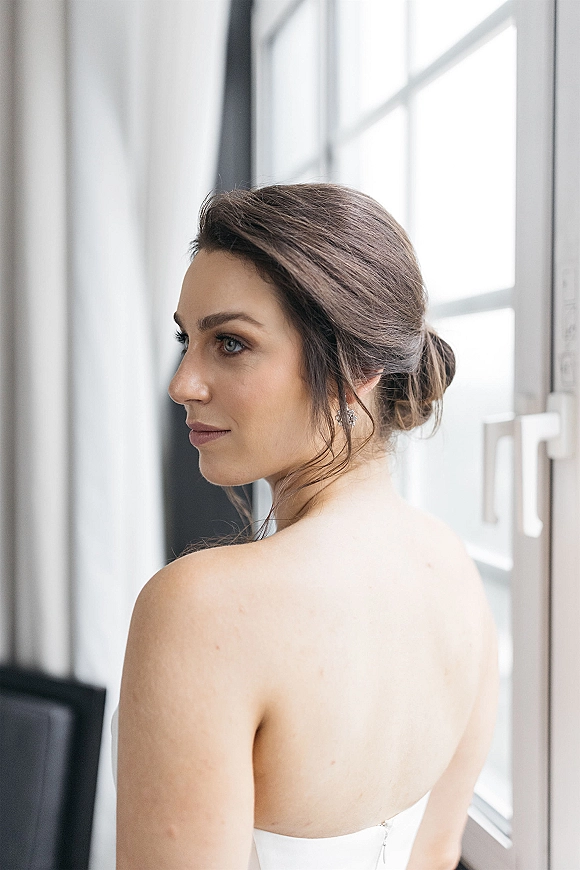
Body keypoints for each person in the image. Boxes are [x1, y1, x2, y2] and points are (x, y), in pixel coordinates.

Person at [111, 183, 499, 870]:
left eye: (230, 343)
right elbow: (435, 856)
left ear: (356, 366)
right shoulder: (456, 574)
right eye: (186, 339)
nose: (182, 383)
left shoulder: (202, 608)